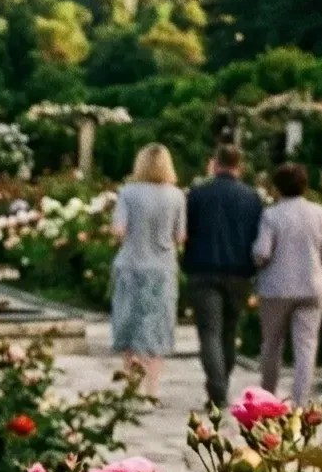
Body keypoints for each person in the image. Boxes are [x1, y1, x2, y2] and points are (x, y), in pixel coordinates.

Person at [181, 144, 263, 409]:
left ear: (215, 163)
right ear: (239, 166)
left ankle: (217, 388)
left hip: (203, 269)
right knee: (229, 331)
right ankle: (222, 382)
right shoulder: (252, 197)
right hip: (239, 272)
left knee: (209, 333)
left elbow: (187, 231)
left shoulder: (197, 194)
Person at [251, 161, 322, 402]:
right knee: (306, 346)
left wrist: (254, 258)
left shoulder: (271, 215)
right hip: (312, 286)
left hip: (276, 289)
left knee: (271, 345)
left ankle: (268, 397)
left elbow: (262, 252)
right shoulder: (320, 213)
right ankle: (300, 401)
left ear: (277, 187)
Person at [109, 143, 187, 402]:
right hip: (162, 268)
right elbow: (180, 236)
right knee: (156, 328)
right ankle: (152, 391)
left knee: (130, 324)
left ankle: (130, 388)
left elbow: (118, 229)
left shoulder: (128, 192)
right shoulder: (176, 196)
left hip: (130, 265)